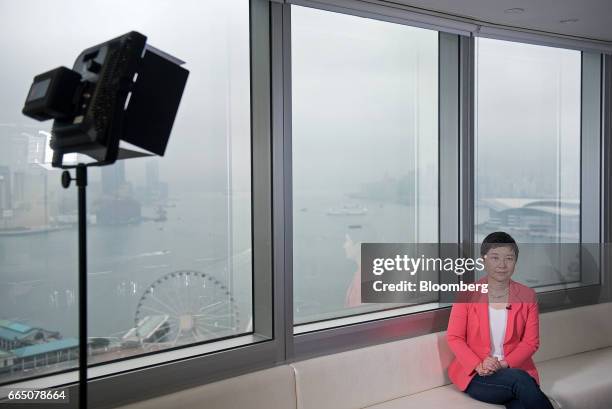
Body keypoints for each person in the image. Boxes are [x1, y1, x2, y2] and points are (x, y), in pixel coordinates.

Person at [446, 232, 554, 409]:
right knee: (520, 381)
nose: (502, 265)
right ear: (483, 260)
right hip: (478, 374)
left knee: (520, 401)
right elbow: (454, 337)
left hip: (514, 369)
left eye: (509, 258)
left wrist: (503, 364)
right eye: (495, 258)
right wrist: (479, 365)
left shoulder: (528, 295)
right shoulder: (467, 294)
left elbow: (531, 342)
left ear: (515, 262)